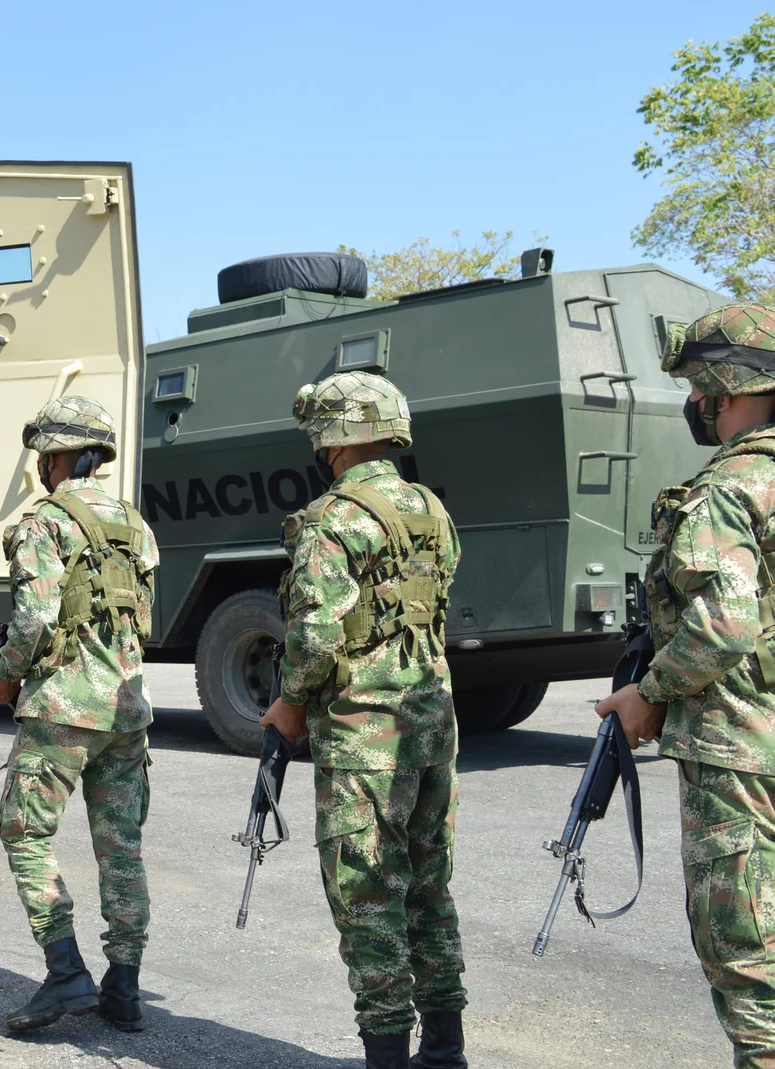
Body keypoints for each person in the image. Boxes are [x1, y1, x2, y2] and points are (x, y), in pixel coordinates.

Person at [257, 371, 466, 1069]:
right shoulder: (430, 508)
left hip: (363, 732)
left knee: (368, 895)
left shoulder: (331, 518)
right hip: (431, 722)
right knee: (429, 889)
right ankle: (444, 1052)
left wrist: (291, 701)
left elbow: (315, 637)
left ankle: (387, 1055)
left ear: (333, 439)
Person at [597, 303, 775, 1069]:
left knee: (748, 954)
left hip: (741, 749)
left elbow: (724, 625)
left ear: (726, 388)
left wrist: (650, 693)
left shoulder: (729, 488)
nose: (695, 402)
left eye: (699, 387)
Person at [0, 395, 158, 1034]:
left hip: (62, 707)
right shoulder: (134, 524)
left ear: (54, 456)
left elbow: (36, 617)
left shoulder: (43, 523)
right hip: (127, 710)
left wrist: (5, 674)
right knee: (121, 847)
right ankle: (124, 988)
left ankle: (66, 971)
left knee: (25, 833)